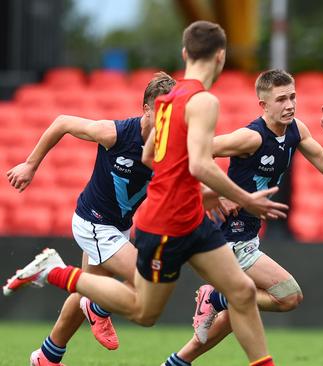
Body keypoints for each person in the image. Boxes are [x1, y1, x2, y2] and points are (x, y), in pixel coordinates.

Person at [4, 20, 287, 366]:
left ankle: (49, 355)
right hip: (155, 221)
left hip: (179, 217)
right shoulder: (201, 102)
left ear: (185, 53)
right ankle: (54, 272)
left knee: (241, 292)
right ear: (221, 57)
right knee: (141, 307)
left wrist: (199, 192)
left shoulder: (170, 100)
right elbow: (197, 164)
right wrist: (242, 198)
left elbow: (152, 158)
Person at [160, 68, 323, 366]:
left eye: (292, 97)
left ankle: (178, 361)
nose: (289, 105)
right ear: (263, 105)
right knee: (288, 295)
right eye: (281, 99)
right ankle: (215, 298)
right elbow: (194, 153)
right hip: (228, 235)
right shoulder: (251, 137)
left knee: (240, 308)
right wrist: (212, 192)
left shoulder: (296, 129)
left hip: (247, 234)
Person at [6, 72, 176, 366]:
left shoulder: (168, 147)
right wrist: (30, 165)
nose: (167, 120)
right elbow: (62, 122)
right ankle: (92, 302)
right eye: (161, 111)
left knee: (88, 286)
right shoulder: (117, 133)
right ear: (146, 108)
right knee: (144, 281)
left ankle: (47, 356)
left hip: (118, 228)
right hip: (94, 224)